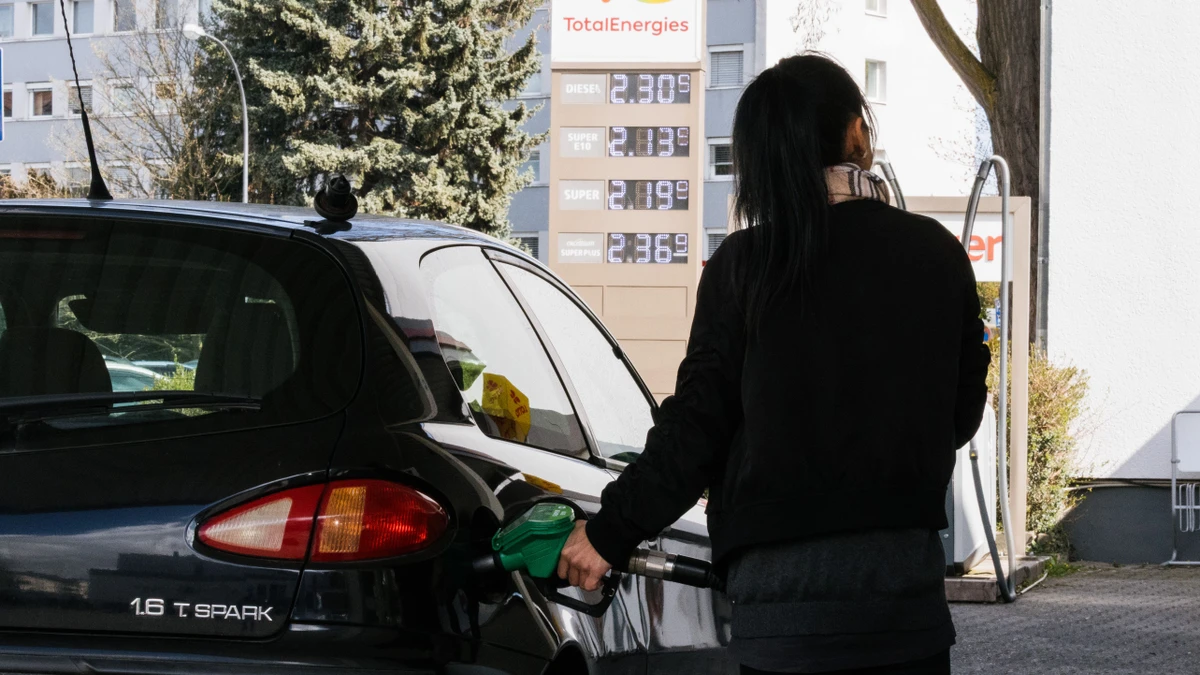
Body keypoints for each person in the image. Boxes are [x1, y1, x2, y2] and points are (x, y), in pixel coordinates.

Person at [556, 53, 991, 674]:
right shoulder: (937, 255)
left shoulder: (743, 267)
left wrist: (607, 535)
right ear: (855, 134)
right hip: (903, 611)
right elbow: (960, 414)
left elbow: (695, 430)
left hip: (780, 620)